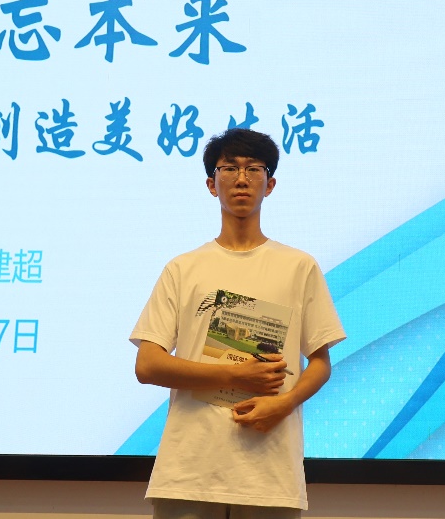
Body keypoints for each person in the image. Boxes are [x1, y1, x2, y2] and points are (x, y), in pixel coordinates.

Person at [130, 127, 345, 519]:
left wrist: (284, 403)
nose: (241, 178)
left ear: (270, 184)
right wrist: (235, 374)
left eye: (253, 168)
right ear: (211, 184)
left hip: (270, 475)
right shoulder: (183, 268)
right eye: (229, 168)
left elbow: (320, 362)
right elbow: (148, 365)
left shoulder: (299, 266)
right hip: (189, 472)